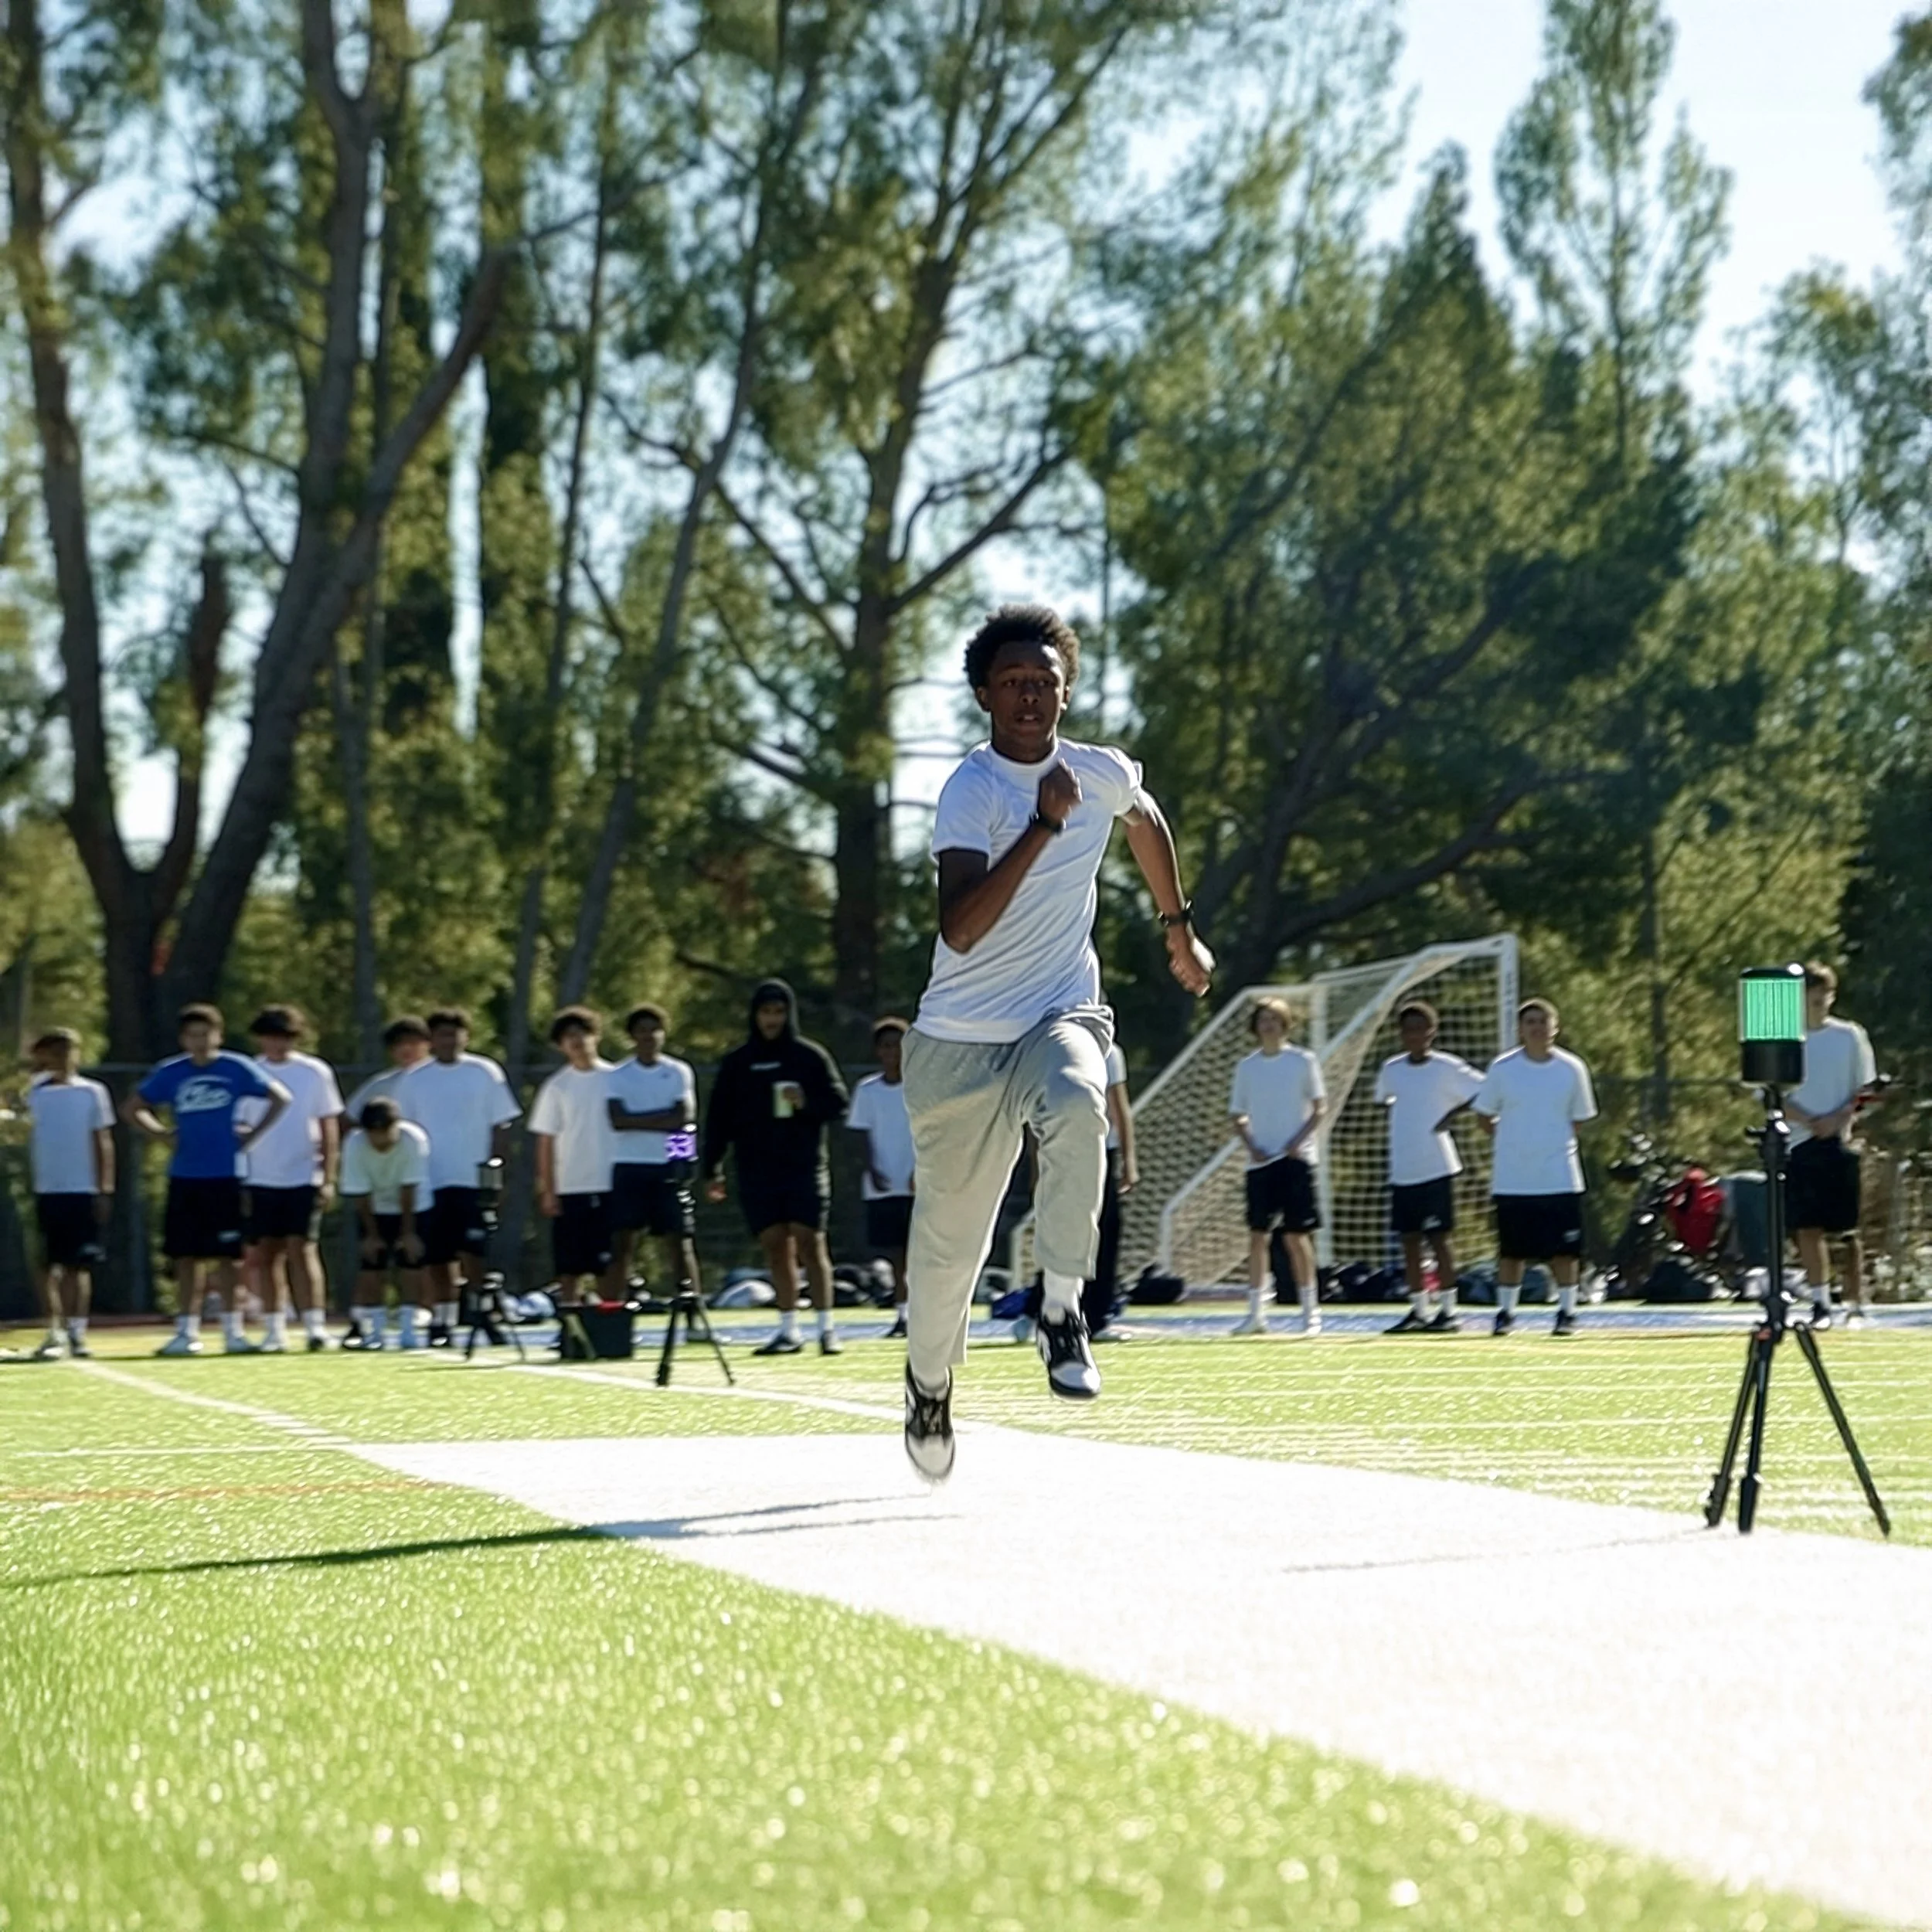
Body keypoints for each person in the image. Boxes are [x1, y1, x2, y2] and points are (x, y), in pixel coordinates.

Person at [901, 604, 1213, 1481]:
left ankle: (1064, 1308)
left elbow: (1144, 819)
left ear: (1064, 692)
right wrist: (1041, 827)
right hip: (959, 1044)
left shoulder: (1097, 771)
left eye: (1043, 682)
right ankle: (929, 1384)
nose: (1029, 697)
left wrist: (1177, 929)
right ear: (983, 696)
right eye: (1011, 684)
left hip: (1058, 1014)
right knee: (949, 1246)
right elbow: (959, 929)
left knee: (1083, 1102)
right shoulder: (973, 789)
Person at [126, 1003, 291, 1356]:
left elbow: (280, 1098)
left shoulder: (235, 1068)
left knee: (229, 1257)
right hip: (186, 1176)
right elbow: (134, 1107)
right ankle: (187, 1331)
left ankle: (233, 1331)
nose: (201, 1042)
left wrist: (251, 1136)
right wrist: (161, 1134)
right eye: (193, 1035)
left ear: (218, 1035)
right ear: (183, 1039)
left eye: (207, 1034)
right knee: (186, 1257)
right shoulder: (171, 1072)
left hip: (225, 1175)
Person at [702, 979, 849, 1356]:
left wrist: (806, 1103)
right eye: (766, 1012)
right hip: (756, 1170)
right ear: (755, 1016)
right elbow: (718, 1119)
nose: (772, 1020)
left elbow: (838, 1104)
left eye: (779, 1012)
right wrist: (710, 1168)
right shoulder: (738, 1063)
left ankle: (827, 1328)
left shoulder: (809, 1056)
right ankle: (788, 1330)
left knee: (810, 1243)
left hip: (803, 1166)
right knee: (774, 1247)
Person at [1473, 998, 1598, 1338]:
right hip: (1514, 1178)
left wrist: (1549, 1144)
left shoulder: (1572, 1068)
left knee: (1564, 1253)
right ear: (1521, 1029)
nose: (1537, 1028)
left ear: (1555, 1027)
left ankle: (1567, 1312)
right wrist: (1515, 1142)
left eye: (1543, 1022)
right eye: (1530, 1022)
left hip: (1559, 1177)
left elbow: (1579, 1119)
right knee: (1512, 1253)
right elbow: (1484, 1115)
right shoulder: (1503, 1068)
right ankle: (1506, 1313)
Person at [396, 1008, 519, 1343]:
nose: (449, 1041)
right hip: (430, 1180)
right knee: (438, 1257)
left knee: (475, 1254)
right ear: (431, 1040)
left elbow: (501, 1125)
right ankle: (443, 1320)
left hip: (473, 1179)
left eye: (455, 1034)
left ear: (465, 1037)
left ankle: (483, 1313)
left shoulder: (484, 1072)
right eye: (441, 1034)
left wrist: (497, 1172)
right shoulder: (415, 1079)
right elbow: (403, 1130)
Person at [238, 1005, 344, 1352]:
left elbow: (329, 1126)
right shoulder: (249, 1073)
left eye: (286, 1037)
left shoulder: (315, 1072)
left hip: (303, 1176)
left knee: (304, 1250)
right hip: (259, 1177)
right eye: (271, 1037)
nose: (278, 1044)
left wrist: (327, 1177)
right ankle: (274, 1329)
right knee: (266, 1254)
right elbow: (239, 1127)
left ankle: (314, 1326)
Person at [1374, 1002, 1483, 1335]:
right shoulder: (1392, 1069)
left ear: (1432, 1033)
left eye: (1421, 1028)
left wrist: (1452, 1115)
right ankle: (1419, 1310)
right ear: (1401, 1035)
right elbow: (1384, 1099)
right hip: (1404, 1166)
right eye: (1408, 1030)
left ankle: (1449, 1311)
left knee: (1439, 1240)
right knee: (1409, 1241)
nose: (1415, 1036)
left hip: (1437, 1165)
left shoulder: (1447, 1067)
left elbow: (1486, 1089)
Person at [1783, 962, 1879, 1330]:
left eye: (1824, 995)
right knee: (1807, 1228)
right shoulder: (1784, 1039)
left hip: (1839, 1141)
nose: (1818, 1002)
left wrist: (1838, 1120)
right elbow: (1769, 1094)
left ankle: (1856, 1301)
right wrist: (1809, 1121)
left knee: (1847, 1230)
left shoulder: (1850, 1036)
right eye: (1811, 995)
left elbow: (1867, 1090)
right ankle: (1821, 1301)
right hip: (1798, 1143)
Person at [1229, 998, 1326, 1338]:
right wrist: (1253, 1146)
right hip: (1260, 1162)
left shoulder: (1303, 1061)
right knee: (1258, 1236)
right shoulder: (1247, 1067)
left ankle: (1310, 1313)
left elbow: (1318, 1109)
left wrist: (1298, 1143)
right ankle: (1256, 1314)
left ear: (1285, 1024)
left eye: (1274, 1019)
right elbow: (1237, 1113)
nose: (1268, 1025)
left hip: (1297, 1161)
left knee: (1297, 1237)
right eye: (1263, 1020)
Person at [339, 1014, 433, 1347]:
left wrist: (408, 1232)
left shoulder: (412, 1140)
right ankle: (372, 1328)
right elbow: (359, 1192)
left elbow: (410, 1187)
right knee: (372, 1263)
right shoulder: (356, 1143)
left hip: (414, 1203)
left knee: (412, 1261)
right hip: (376, 1204)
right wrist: (372, 1234)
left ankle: (413, 1326)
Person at [25, 1028, 114, 1359]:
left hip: (82, 1188)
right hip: (45, 1187)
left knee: (78, 1265)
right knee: (46, 1263)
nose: (62, 1058)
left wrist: (105, 1188)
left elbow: (102, 1140)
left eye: (68, 1051)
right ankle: (54, 1329)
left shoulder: (92, 1092)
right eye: (53, 1051)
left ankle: (77, 1331)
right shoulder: (32, 1093)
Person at [606, 1004, 702, 1303]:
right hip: (628, 1164)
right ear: (632, 1036)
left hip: (669, 1165)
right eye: (642, 1031)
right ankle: (615, 1314)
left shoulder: (678, 1071)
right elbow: (617, 1121)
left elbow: (682, 1120)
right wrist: (660, 1119)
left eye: (654, 1030)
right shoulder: (618, 1075)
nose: (649, 1037)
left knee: (679, 1241)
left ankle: (692, 1314)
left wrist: (682, 1164)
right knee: (622, 1243)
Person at [528, 1006, 617, 1304]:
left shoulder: (619, 1078)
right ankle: (570, 1324)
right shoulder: (557, 1087)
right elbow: (545, 1140)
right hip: (571, 1186)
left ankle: (609, 1322)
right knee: (569, 1264)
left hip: (613, 1184)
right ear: (561, 1046)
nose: (578, 1042)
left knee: (610, 1262)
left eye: (583, 1034)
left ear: (596, 1037)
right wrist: (548, 1190)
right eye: (569, 1038)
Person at [848, 1018, 916, 1338]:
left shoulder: (921, 1087)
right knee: (896, 1256)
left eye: (898, 1045)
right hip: (883, 1186)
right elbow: (859, 1134)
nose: (893, 1052)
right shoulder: (868, 1090)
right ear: (878, 1051)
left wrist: (923, 1172)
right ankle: (903, 1316)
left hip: (919, 1186)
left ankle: (924, 1315)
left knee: (920, 1254)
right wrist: (871, 1170)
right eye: (886, 1045)